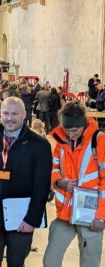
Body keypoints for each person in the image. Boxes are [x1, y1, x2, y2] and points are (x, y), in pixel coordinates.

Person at [0, 96, 52, 267]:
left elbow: (41, 186)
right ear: (0, 114)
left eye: (14, 113)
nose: (9, 118)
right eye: (5, 113)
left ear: (24, 114)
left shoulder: (39, 145)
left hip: (21, 218)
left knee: (16, 262)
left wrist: (32, 219)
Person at [43, 101, 105, 267]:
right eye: (66, 129)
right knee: (50, 261)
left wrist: (101, 216)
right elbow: (54, 166)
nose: (70, 134)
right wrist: (60, 181)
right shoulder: (61, 142)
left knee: (89, 263)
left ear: (83, 125)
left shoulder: (99, 141)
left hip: (90, 216)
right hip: (65, 214)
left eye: (75, 130)